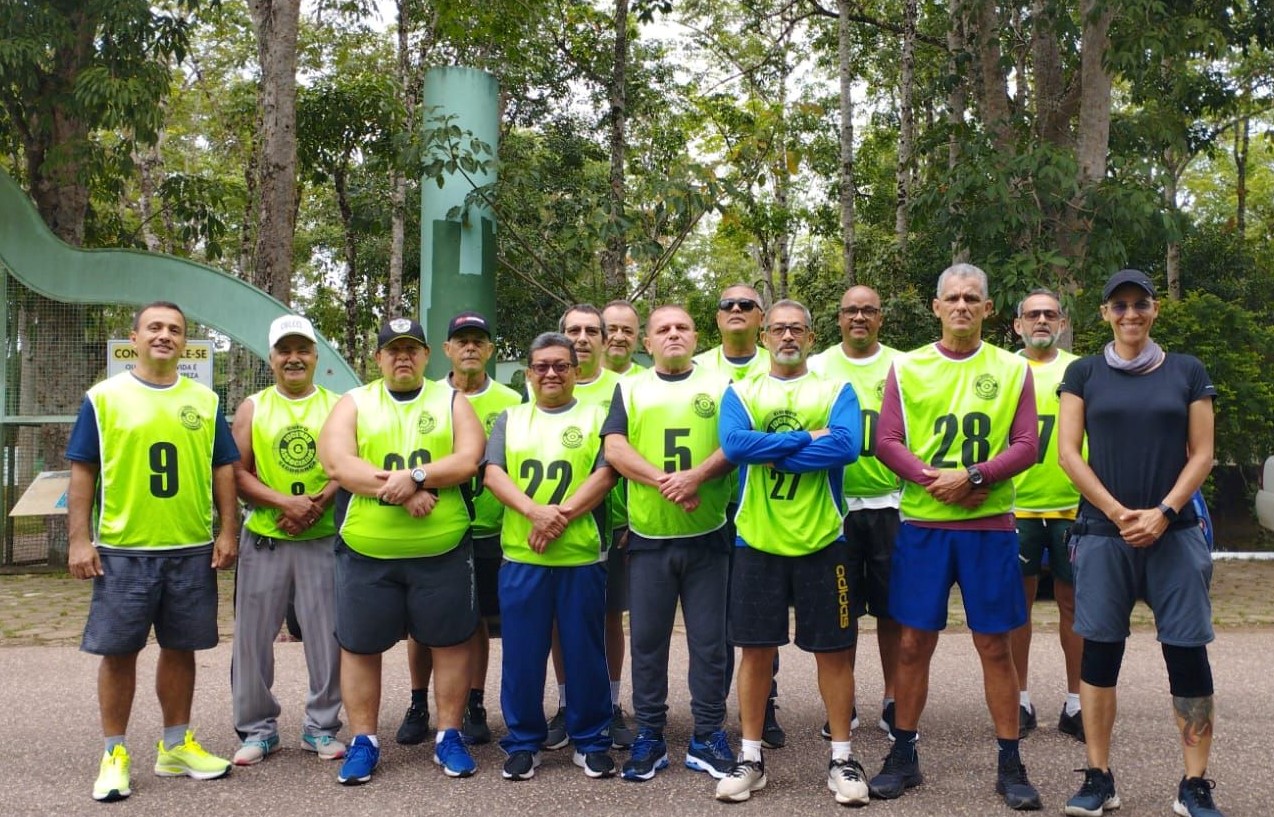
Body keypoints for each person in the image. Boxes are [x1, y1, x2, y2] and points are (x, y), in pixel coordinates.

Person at [868, 263, 1043, 811]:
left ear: (989, 309)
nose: (962, 306)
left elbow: (1025, 444)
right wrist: (935, 482)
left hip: (989, 527)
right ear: (936, 306)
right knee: (914, 642)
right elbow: (887, 440)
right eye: (953, 297)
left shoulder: (1012, 371)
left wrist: (975, 477)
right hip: (924, 524)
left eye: (973, 298)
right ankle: (904, 752)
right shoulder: (908, 366)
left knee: (995, 645)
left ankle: (1010, 760)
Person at [1058, 269, 1223, 817]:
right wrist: (1116, 511)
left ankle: (1194, 785)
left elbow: (1202, 454)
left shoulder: (1187, 371)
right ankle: (1099, 776)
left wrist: (1164, 511)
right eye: (1119, 305)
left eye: (1140, 304)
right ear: (1104, 313)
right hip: (1105, 534)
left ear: (1154, 310)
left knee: (1187, 655)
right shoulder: (1083, 373)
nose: (1131, 314)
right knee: (1100, 655)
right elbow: (1069, 453)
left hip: (1175, 534)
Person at [66, 301, 237, 802]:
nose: (165, 335)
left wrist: (229, 531)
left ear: (185, 343)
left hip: (189, 547)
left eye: (175, 330)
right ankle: (114, 753)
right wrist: (80, 539)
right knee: (120, 651)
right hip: (123, 549)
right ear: (134, 337)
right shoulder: (103, 398)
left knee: (181, 648)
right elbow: (83, 471)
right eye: (155, 328)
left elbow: (223, 468)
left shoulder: (204, 401)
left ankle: (174, 745)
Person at [317, 318, 484, 785]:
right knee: (360, 646)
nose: (403, 357)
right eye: (393, 350)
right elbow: (337, 462)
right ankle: (365, 741)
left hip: (442, 549)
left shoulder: (451, 401)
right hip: (365, 551)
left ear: (428, 355)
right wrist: (406, 489)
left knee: (450, 643)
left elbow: (468, 459)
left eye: (412, 349)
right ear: (378, 358)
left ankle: (449, 735)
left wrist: (415, 476)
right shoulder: (355, 402)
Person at [715, 299, 867, 805]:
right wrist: (806, 437)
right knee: (755, 651)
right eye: (778, 328)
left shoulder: (835, 387)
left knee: (835, 651)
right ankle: (751, 757)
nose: (786, 336)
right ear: (764, 336)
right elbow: (734, 446)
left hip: (823, 539)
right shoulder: (741, 389)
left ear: (810, 334)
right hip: (757, 538)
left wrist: (774, 446)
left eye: (796, 329)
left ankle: (843, 757)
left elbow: (845, 446)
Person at [601, 305, 736, 782]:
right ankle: (650, 736)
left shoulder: (721, 384)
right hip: (650, 538)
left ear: (696, 338)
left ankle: (707, 734)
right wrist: (667, 481)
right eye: (663, 329)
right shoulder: (630, 387)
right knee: (648, 644)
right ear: (649, 343)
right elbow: (614, 448)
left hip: (707, 536)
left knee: (710, 644)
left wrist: (698, 476)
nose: (673, 334)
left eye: (681, 327)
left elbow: (736, 442)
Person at [483, 332, 619, 780]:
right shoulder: (510, 418)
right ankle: (524, 741)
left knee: (585, 653)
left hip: (581, 558)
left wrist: (558, 518)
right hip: (523, 558)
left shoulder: (599, 416)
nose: (552, 373)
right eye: (542, 366)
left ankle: (591, 739)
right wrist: (532, 513)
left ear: (575, 371)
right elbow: (493, 474)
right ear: (528, 373)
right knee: (522, 656)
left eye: (561, 365)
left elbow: (605, 476)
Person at [396, 312, 523, 747]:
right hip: (432, 525)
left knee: (478, 624)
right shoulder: (427, 397)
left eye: (478, 341)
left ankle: (474, 702)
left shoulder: (511, 400)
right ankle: (418, 703)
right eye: (461, 341)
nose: (470, 347)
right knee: (422, 624)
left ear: (490, 350)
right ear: (445, 350)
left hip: (489, 529)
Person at [230, 315, 344, 766]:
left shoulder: (339, 405)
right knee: (252, 639)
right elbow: (236, 472)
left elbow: (348, 462)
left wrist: (316, 503)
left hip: (322, 536)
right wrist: (284, 504)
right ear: (272, 357)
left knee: (327, 637)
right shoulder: (253, 408)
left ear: (316, 356)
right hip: (265, 538)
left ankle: (321, 727)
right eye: (284, 350)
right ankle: (258, 730)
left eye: (302, 350)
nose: (293, 358)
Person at [809, 284, 903, 739]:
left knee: (892, 611)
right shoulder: (819, 366)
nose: (859, 318)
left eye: (868, 310)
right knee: (838, 612)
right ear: (839, 317)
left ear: (880, 317)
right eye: (851, 311)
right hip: (835, 507)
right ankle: (840, 707)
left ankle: (893, 699)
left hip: (889, 505)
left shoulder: (902, 365)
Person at [693, 282, 785, 748]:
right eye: (727, 304)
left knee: (760, 615)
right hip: (713, 504)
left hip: (767, 504)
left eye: (746, 304)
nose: (735, 310)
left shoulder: (780, 363)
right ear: (716, 318)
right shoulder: (701, 366)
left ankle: (765, 708)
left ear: (762, 319)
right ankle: (717, 713)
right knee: (720, 617)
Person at [549, 304, 634, 750]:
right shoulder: (547, 384)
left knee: (608, 618)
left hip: (613, 522)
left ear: (604, 339)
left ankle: (612, 704)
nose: (581, 337)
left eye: (590, 330)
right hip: (555, 524)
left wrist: (631, 516)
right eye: (572, 330)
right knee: (561, 623)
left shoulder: (625, 387)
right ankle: (567, 706)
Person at [1008, 290, 1085, 742]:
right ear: (1017, 324)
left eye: (1049, 314)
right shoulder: (1002, 369)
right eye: (1032, 314)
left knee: (1074, 604)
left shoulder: (1081, 370)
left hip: (1071, 505)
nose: (1041, 320)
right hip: (1014, 505)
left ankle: (1076, 701)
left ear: (1062, 321)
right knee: (1017, 605)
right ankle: (1018, 697)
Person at [602, 300, 646, 376]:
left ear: (637, 337)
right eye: (611, 330)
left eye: (627, 331)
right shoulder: (577, 377)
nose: (619, 338)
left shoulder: (648, 381)